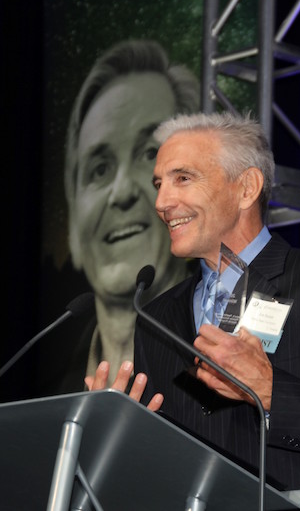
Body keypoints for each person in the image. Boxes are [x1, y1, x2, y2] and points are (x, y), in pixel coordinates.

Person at [87, 112, 300, 510]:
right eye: (159, 183)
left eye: (183, 178)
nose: (161, 202)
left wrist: (272, 391)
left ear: (246, 188)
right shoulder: (157, 318)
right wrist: (121, 435)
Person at [59, 40, 198, 388]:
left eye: (148, 154)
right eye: (100, 168)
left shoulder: (222, 379)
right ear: (75, 216)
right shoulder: (47, 399)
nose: (120, 193)